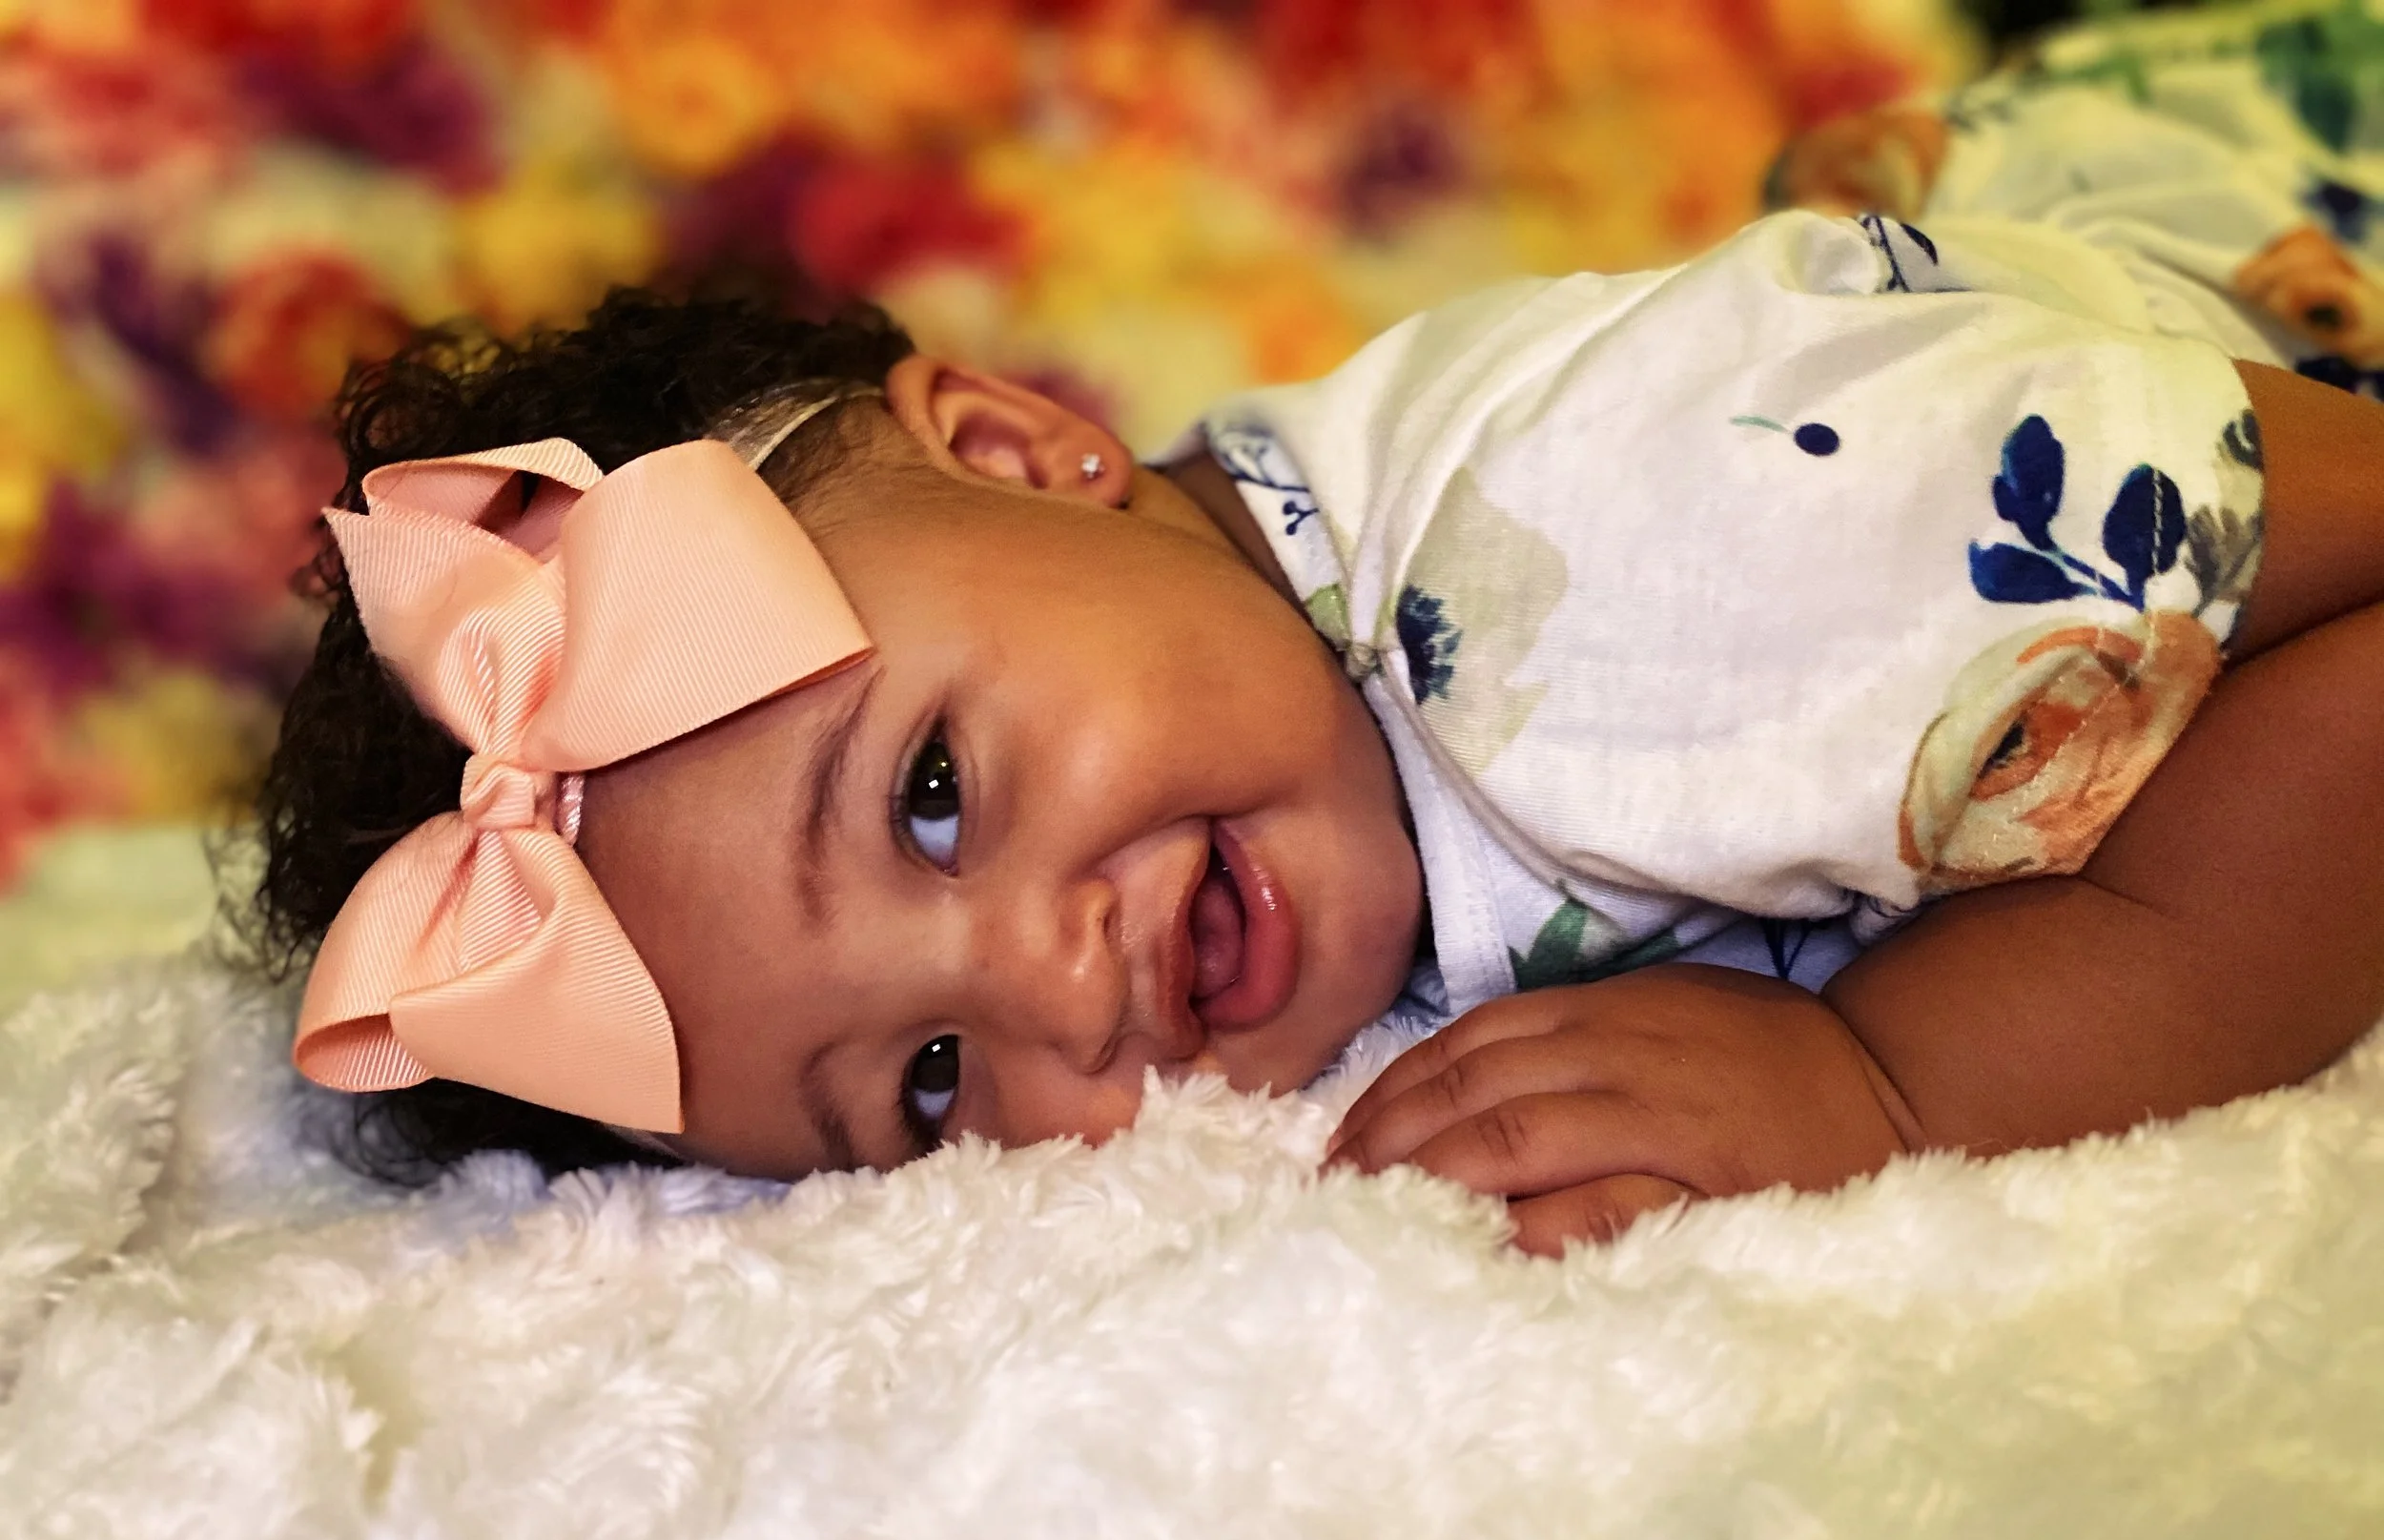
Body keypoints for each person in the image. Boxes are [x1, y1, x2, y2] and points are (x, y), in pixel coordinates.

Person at [250, 2, 2384, 1252]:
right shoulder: (1215, 629)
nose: (1048, 989)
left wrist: (1897, 1075)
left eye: (929, 794)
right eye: (926, 1082)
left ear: (1024, 446)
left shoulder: (1633, 572)